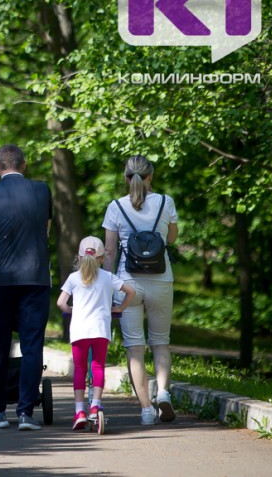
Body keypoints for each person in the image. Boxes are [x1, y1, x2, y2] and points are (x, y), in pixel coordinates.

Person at [0, 144, 52, 431]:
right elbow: (45, 232)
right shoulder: (43, 191)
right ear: (24, 165)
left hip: (0, 280)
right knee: (32, 345)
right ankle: (26, 413)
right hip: (35, 277)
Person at [102, 155, 179, 425]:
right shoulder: (165, 202)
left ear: (126, 178)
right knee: (160, 342)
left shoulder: (115, 207)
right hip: (161, 279)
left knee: (135, 348)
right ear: (151, 177)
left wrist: (108, 285)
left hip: (128, 283)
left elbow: (109, 251)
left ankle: (146, 409)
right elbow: (170, 239)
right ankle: (164, 393)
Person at [57, 236, 136, 431]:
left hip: (79, 330)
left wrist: (71, 310)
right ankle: (95, 406)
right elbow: (131, 292)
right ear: (101, 258)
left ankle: (79, 411)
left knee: (80, 369)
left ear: (79, 257)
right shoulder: (108, 277)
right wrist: (119, 308)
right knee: (98, 366)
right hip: (101, 329)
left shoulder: (73, 278)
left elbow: (60, 303)